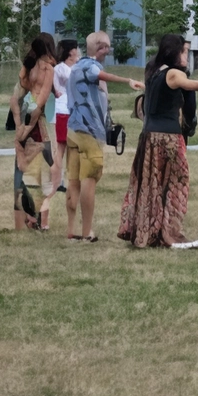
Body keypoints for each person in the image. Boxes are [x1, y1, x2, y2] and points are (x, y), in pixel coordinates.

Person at [118, 34, 198, 249]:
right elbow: (189, 84)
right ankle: (171, 234)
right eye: (184, 51)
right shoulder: (172, 73)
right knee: (177, 183)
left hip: (149, 137)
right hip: (167, 138)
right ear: (175, 52)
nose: (187, 55)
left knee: (151, 184)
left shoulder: (153, 70)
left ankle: (147, 232)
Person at [65, 32, 144, 242]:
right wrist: (128, 80)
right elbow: (98, 75)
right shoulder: (91, 66)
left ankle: (71, 229)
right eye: (107, 47)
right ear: (100, 47)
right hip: (89, 132)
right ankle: (86, 232)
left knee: (73, 181)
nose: (109, 51)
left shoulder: (75, 67)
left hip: (72, 130)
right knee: (88, 180)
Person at [11, 34, 57, 231]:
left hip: (27, 122)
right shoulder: (46, 69)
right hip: (35, 127)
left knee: (21, 175)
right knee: (41, 175)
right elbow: (37, 104)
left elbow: (15, 99)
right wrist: (26, 128)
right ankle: (38, 219)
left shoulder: (30, 67)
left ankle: (26, 221)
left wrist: (19, 127)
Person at [50, 39, 79, 195]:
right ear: (71, 52)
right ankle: (57, 181)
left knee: (71, 149)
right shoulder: (61, 68)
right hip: (63, 110)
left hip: (73, 110)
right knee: (61, 148)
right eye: (76, 49)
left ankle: (65, 180)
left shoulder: (75, 67)